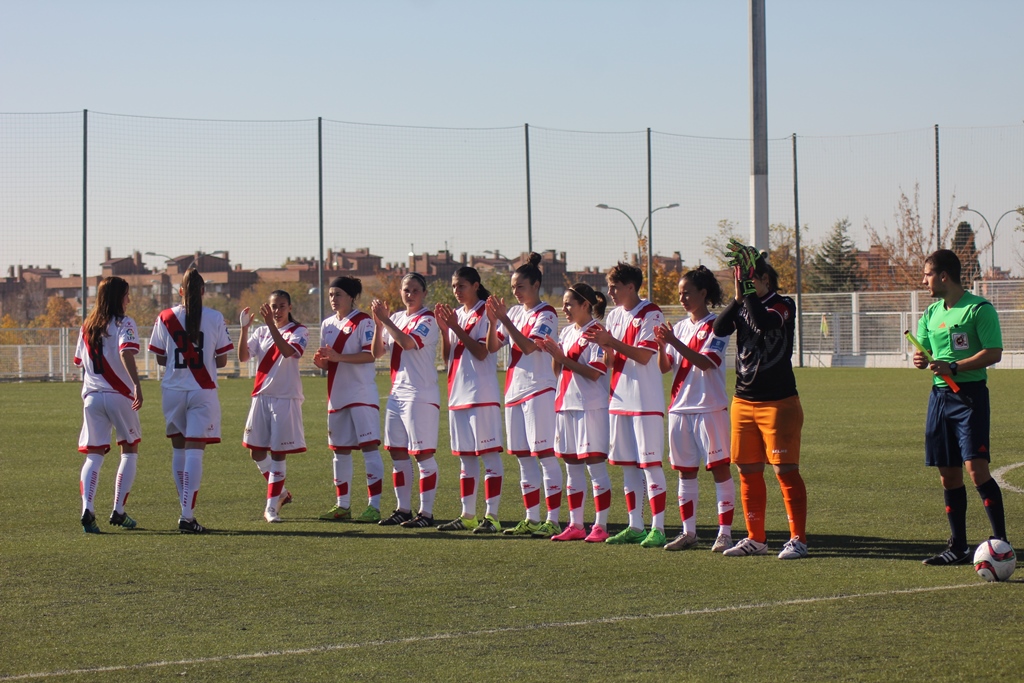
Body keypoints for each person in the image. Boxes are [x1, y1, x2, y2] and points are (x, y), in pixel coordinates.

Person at [913, 249, 1008, 565]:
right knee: (948, 475)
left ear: (943, 276)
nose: (923, 280)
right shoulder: (930, 314)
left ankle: (1001, 544)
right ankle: (958, 547)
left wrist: (953, 367)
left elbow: (994, 353)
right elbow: (926, 352)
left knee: (976, 470)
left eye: (927, 274)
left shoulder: (979, 309)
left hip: (969, 397)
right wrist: (920, 358)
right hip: (939, 398)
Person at [713, 248, 807, 559]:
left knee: (785, 470)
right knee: (747, 470)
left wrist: (749, 290)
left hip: (778, 403)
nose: (745, 286)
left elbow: (764, 322)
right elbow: (719, 328)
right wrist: (738, 295)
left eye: (750, 280)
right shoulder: (745, 303)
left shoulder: (783, 304)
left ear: (764, 280)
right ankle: (756, 537)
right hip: (744, 402)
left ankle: (798, 539)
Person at [585, 262, 669, 548]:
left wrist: (611, 342)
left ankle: (658, 528)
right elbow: (611, 361)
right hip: (619, 399)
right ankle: (635, 525)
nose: (609, 292)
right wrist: (604, 346)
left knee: (650, 464)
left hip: (645, 400)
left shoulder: (650, 312)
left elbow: (645, 357)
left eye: (615, 287)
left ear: (631, 287)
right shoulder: (614, 316)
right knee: (628, 466)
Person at [656, 266, 735, 552]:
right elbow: (666, 367)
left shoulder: (718, 325)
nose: (682, 298)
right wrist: (661, 346)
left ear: (703, 293)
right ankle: (689, 533)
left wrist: (673, 341)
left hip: (709, 407)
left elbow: (707, 362)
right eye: (679, 294)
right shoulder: (679, 327)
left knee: (719, 469)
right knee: (685, 472)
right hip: (679, 408)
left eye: (687, 293)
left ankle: (724, 533)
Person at [148, 268, 233, 533]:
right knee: (195, 451)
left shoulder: (165, 316)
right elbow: (222, 359)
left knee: (179, 450)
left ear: (180, 291)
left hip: (173, 389)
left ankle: (185, 510)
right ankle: (187, 514)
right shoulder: (215, 317)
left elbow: (160, 357)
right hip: (202, 389)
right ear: (203, 291)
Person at [486, 253, 562, 538]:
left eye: (521, 286)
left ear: (536, 285)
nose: (516, 292)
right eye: (513, 287)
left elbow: (529, 347)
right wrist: (494, 322)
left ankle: (552, 520)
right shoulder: (515, 313)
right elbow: (494, 347)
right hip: (515, 390)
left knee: (544, 454)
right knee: (522, 457)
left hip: (539, 388)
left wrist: (505, 319)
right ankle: (532, 518)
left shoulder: (547, 313)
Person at [535, 282, 613, 542]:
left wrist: (562, 357)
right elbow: (559, 371)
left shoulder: (598, 332)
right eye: (564, 303)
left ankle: (600, 526)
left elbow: (595, 372)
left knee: (595, 467)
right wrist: (556, 355)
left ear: (586, 305)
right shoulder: (567, 332)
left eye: (569, 303)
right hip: (565, 404)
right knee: (572, 468)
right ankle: (576, 524)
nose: (564, 308)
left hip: (591, 406)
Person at [436, 266, 505, 534]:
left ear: (476, 285)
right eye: (454, 286)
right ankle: (467, 515)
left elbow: (481, 352)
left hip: (481, 394)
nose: (456, 291)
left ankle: (493, 516)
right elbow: (447, 358)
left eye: (461, 286)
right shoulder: (458, 315)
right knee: (465, 459)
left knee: (488, 456)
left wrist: (455, 327)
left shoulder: (484, 312)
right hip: (457, 395)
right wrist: (445, 331)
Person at [371, 273, 441, 528]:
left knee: (422, 454)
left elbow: (408, 343)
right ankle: (403, 509)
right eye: (405, 289)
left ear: (423, 293)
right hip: (397, 393)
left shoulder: (428, 319)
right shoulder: (398, 318)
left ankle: (427, 513)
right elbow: (378, 352)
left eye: (414, 290)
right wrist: (379, 325)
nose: (409, 294)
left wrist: (386, 320)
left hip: (420, 394)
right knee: (397, 452)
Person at [74, 276, 144, 533]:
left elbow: (79, 362)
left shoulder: (87, 326)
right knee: (129, 449)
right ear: (117, 297)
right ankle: (118, 509)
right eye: (126, 294)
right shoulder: (125, 323)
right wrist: (136, 385)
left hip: (91, 397)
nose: (129, 299)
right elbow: (126, 351)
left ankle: (87, 507)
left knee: (93, 455)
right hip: (119, 396)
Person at [313, 276, 384, 524]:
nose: (333, 299)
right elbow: (329, 358)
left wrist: (337, 357)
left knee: (369, 448)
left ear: (351, 297)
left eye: (338, 294)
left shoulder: (364, 322)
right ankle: (342, 505)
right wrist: (322, 361)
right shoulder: (327, 324)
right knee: (339, 451)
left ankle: (374, 506)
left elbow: (369, 356)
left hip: (361, 394)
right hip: (337, 395)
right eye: (331, 294)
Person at [238, 290, 308, 523]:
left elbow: (289, 352)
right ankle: (282, 493)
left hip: (285, 398)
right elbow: (243, 357)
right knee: (256, 451)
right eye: (273, 306)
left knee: (278, 453)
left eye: (281, 306)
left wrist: (272, 326)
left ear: (289, 307)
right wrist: (245, 328)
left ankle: (271, 508)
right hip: (261, 396)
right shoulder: (260, 331)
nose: (277, 311)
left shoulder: (299, 331)